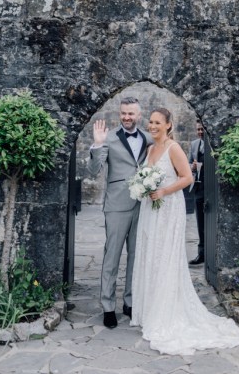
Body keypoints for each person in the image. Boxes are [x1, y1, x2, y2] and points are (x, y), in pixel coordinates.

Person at [131, 108, 239, 355]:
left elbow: (187, 178)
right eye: (150, 122)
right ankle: (151, 309)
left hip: (168, 207)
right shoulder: (150, 150)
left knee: (165, 257)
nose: (152, 126)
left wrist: (162, 191)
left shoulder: (174, 148)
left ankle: (167, 311)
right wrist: (143, 186)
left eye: (157, 122)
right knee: (152, 255)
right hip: (151, 208)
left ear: (169, 125)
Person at [87, 97, 152, 329]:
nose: (126, 117)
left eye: (131, 114)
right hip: (116, 205)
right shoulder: (109, 137)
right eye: (123, 113)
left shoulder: (148, 137)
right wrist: (97, 145)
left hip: (142, 205)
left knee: (136, 255)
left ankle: (130, 302)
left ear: (139, 116)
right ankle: (107, 306)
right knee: (111, 257)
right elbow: (94, 171)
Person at [188, 120, 205, 265]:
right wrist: (192, 167)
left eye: (202, 129)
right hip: (198, 187)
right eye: (198, 129)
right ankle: (201, 253)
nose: (200, 132)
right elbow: (187, 164)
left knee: (210, 222)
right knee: (199, 222)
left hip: (211, 189)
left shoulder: (213, 143)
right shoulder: (194, 144)